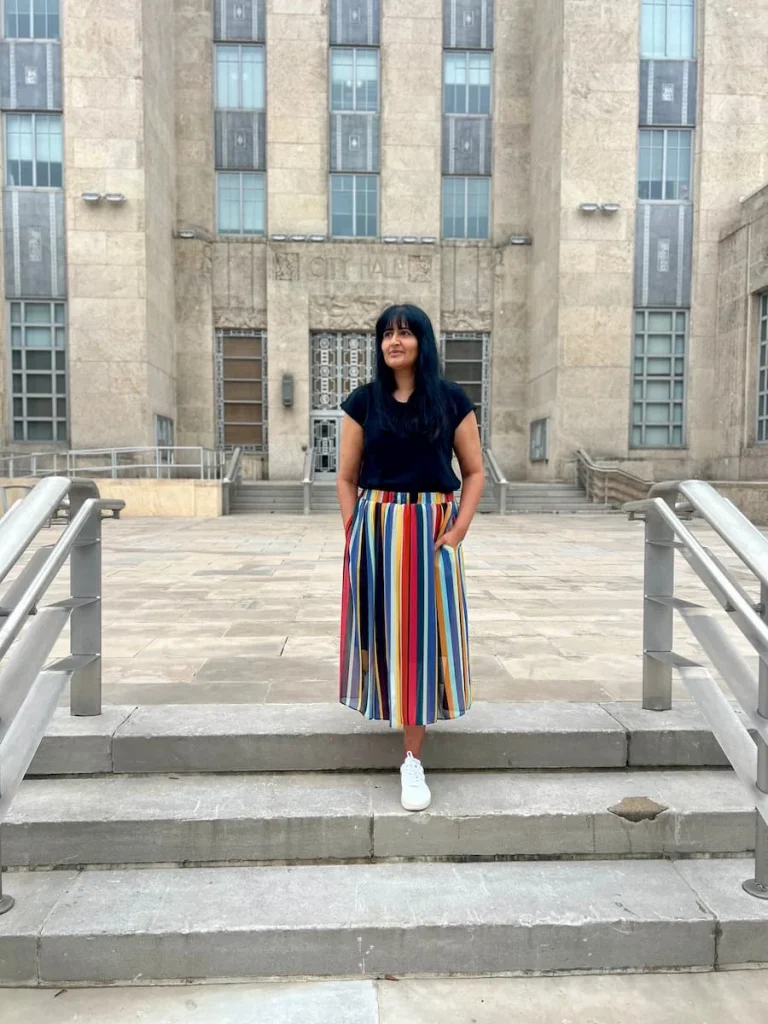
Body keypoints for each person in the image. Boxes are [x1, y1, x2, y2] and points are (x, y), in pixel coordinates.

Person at [336, 304, 485, 811]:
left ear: (423, 340)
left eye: (404, 332)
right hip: (377, 528)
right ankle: (393, 719)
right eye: (385, 334)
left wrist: (458, 529)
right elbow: (346, 477)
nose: (393, 341)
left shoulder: (449, 400)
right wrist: (354, 529)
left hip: (431, 530)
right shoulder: (363, 402)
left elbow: (474, 471)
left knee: (424, 640)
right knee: (385, 636)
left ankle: (412, 760)